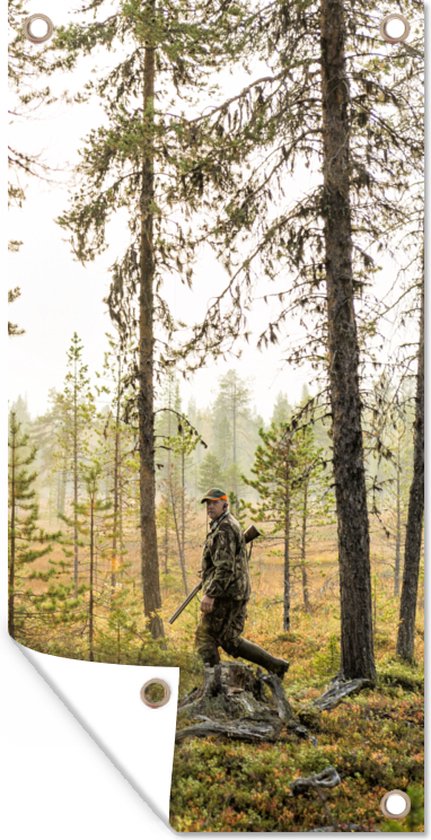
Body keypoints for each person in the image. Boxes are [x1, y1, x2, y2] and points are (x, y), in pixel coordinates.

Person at [195, 488, 290, 679]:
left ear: (224, 504)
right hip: (235, 592)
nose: (210, 507)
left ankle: (214, 686)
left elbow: (226, 567)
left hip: (226, 594)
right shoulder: (222, 525)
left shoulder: (225, 528)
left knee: (205, 637)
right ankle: (275, 665)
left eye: (214, 503)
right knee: (229, 639)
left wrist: (211, 593)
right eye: (207, 503)